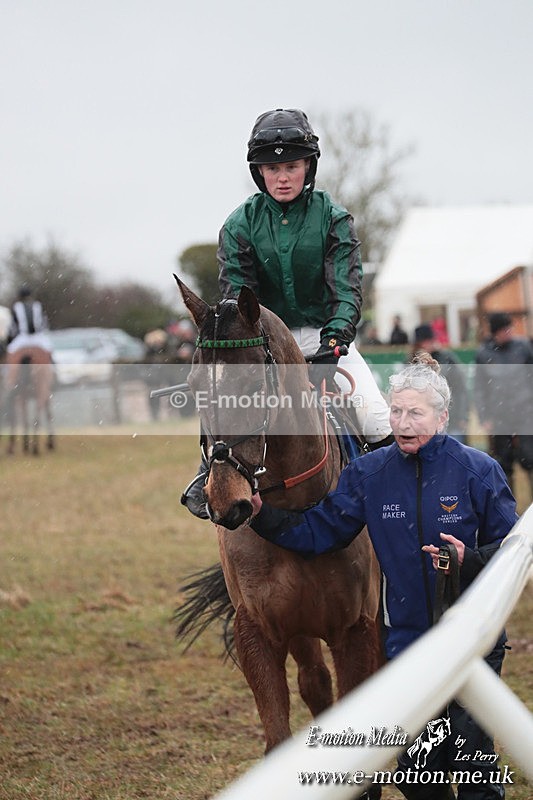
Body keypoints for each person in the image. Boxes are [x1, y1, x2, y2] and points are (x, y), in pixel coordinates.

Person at [249, 354, 516, 800]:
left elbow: (512, 553)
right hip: (407, 647)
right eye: (396, 411)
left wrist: (468, 558)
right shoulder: (369, 473)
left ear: (442, 416)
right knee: (417, 774)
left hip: (473, 643)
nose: (404, 422)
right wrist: (263, 517)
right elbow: (321, 532)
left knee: (473, 770)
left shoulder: (478, 470)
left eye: (416, 413)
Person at [182, 108, 393, 518]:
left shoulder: (334, 219)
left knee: (378, 421)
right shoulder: (238, 225)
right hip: (263, 342)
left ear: (308, 166)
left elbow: (347, 292)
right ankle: (211, 471)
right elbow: (239, 300)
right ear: (259, 172)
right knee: (226, 402)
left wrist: (334, 344)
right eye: (272, 167)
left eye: (291, 166)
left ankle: (393, 510)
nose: (282, 176)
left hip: (326, 338)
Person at [474, 312, 533, 500]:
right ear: (495, 332)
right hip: (499, 417)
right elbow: (479, 389)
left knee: (530, 458)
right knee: (503, 463)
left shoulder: (523, 347)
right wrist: (485, 417)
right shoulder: (484, 354)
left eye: (510, 328)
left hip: (526, 413)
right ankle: (509, 509)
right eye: (504, 329)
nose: (508, 332)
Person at [410, 323, 470, 443]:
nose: (428, 345)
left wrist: (463, 416)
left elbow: (461, 389)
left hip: (451, 417)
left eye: (429, 340)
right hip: (424, 422)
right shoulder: (412, 363)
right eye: (424, 342)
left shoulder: (447, 359)